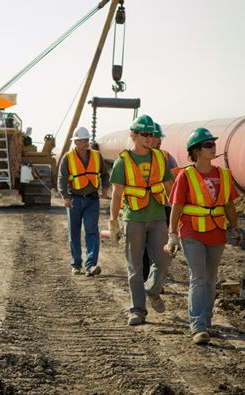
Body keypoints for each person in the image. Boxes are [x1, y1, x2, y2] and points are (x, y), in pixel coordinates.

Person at [166, 127, 241, 345]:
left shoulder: (224, 175)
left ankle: (207, 322)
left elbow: (229, 204)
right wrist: (172, 235)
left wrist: (234, 227)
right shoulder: (185, 176)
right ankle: (198, 326)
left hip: (216, 231)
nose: (213, 147)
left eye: (213, 144)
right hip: (191, 232)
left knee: (210, 279)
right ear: (196, 151)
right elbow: (176, 206)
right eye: (208, 144)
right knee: (198, 277)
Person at [109, 115, 173, 326]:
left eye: (151, 134)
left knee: (163, 259)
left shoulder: (160, 158)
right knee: (134, 267)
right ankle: (137, 310)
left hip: (157, 217)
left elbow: (170, 190)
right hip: (134, 217)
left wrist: (176, 217)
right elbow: (117, 195)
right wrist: (113, 222)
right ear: (133, 135)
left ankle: (152, 289)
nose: (149, 137)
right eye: (144, 134)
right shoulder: (123, 161)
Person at [58, 126, 108, 277]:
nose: (86, 143)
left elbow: (105, 175)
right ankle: (76, 264)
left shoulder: (97, 156)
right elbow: (62, 179)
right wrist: (65, 197)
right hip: (75, 199)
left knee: (92, 232)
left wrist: (105, 188)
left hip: (92, 199)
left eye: (87, 140)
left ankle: (91, 265)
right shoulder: (68, 158)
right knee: (74, 233)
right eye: (82, 140)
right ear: (76, 142)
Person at [141, 123, 178, 281]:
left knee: (160, 247)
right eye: (156, 137)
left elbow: (177, 181)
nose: (159, 140)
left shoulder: (167, 157)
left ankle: (156, 280)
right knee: (143, 248)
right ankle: (145, 278)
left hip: (164, 207)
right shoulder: (138, 157)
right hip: (143, 207)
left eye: (160, 137)